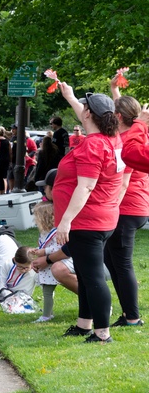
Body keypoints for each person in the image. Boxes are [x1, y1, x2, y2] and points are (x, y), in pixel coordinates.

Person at [51, 83, 123, 343]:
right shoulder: (111, 139)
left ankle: (102, 334)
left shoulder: (93, 146)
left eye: (84, 108)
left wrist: (65, 222)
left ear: (88, 115)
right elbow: (88, 112)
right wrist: (69, 96)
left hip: (87, 221)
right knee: (83, 272)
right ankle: (84, 325)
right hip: (103, 218)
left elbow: (87, 185)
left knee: (92, 278)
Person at [104, 84, 148, 327]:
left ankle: (132, 317)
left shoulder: (128, 140)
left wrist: (110, 207)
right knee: (112, 262)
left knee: (121, 264)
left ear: (118, 117)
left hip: (127, 208)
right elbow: (125, 112)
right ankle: (127, 314)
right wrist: (114, 90)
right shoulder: (136, 132)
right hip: (133, 207)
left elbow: (123, 182)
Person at [29, 198, 78, 322]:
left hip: (58, 262)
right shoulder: (43, 232)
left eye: (37, 217)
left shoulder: (57, 231)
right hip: (47, 266)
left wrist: (44, 252)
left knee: (73, 286)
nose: (35, 220)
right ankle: (47, 314)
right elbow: (44, 246)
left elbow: (59, 247)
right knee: (47, 291)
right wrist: (36, 251)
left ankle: (94, 303)